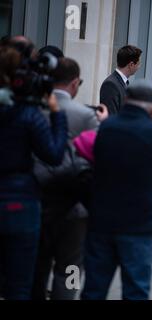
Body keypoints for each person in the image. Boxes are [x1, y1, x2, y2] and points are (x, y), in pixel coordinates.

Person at [81, 80, 152, 300]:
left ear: (126, 100)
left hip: (101, 220)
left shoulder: (107, 127)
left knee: (94, 288)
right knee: (136, 289)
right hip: (137, 224)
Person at [31, 58, 108, 300]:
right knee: (72, 266)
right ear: (75, 83)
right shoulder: (85, 115)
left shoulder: (33, 108)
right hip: (75, 207)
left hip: (36, 200)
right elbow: (98, 157)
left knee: (37, 265)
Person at [0, 42, 67, 300]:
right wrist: (56, 113)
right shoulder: (28, 114)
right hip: (20, 203)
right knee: (19, 286)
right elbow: (54, 154)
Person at [100, 45, 142, 115]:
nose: (139, 67)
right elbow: (111, 117)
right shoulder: (110, 85)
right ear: (131, 65)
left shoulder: (125, 83)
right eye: (138, 64)